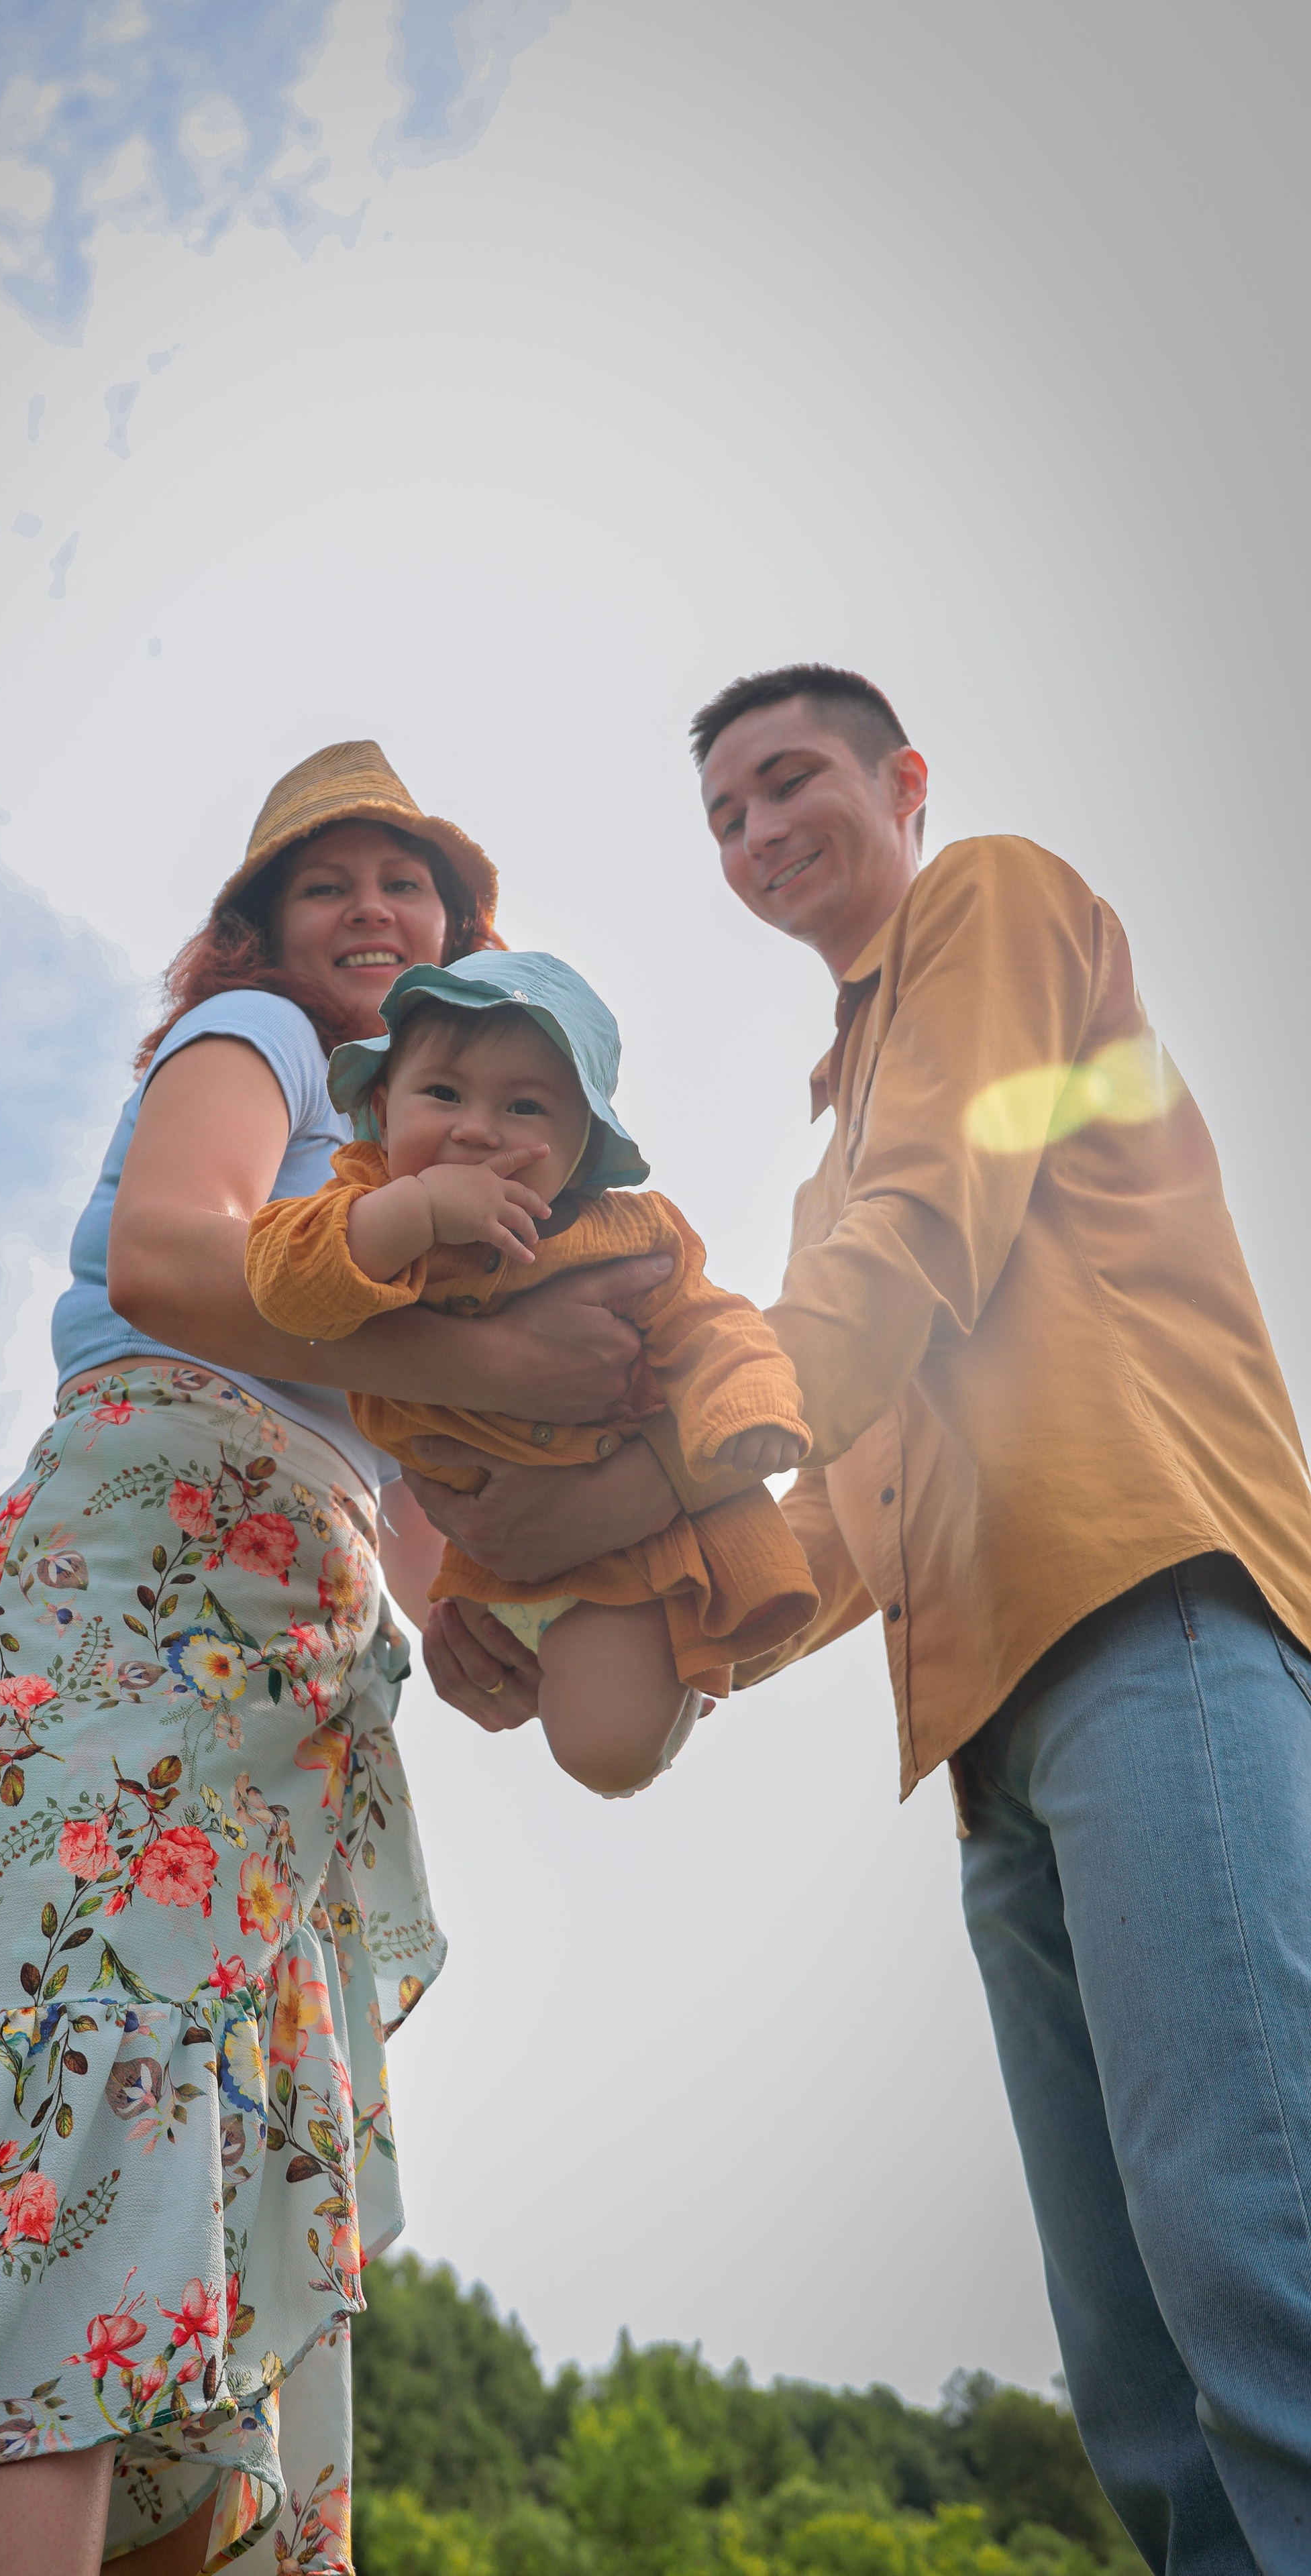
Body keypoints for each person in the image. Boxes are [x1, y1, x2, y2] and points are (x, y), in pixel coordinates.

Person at [0, 741, 672, 2576]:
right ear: (256, 927)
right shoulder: (255, 1043)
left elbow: (410, 1500)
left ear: (456, 947)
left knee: (169, 2190)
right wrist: (494, 1356)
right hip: (136, 1597)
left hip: (288, 1676)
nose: (365, 910)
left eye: (404, 886)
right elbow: (179, 1262)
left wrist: (492, 1616)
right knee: (60, 2129)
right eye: (324, 882)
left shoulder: (445, 1190)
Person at [421, 665, 1311, 2575]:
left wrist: (612, 1502)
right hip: (989, 1739)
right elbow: (843, 1501)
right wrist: (611, 1616)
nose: (758, 836)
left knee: (1261, 2263)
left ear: (903, 778)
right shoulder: (833, 1132)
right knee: (1142, 2395)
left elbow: (917, 1247)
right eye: (724, 817)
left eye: (790, 781)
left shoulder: (992, 905)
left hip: (1150, 1612)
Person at [244, 949, 815, 1793]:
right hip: (484, 1556)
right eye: (442, 1094)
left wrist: (748, 1407)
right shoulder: (359, 1208)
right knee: (526, 1696)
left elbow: (712, 1324)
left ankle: (677, 1659)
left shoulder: (621, 1235)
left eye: (524, 1106)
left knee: (604, 1753)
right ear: (380, 1107)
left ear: (583, 1151)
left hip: (627, 1552)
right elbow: (285, 1292)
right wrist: (420, 1210)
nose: (477, 1128)